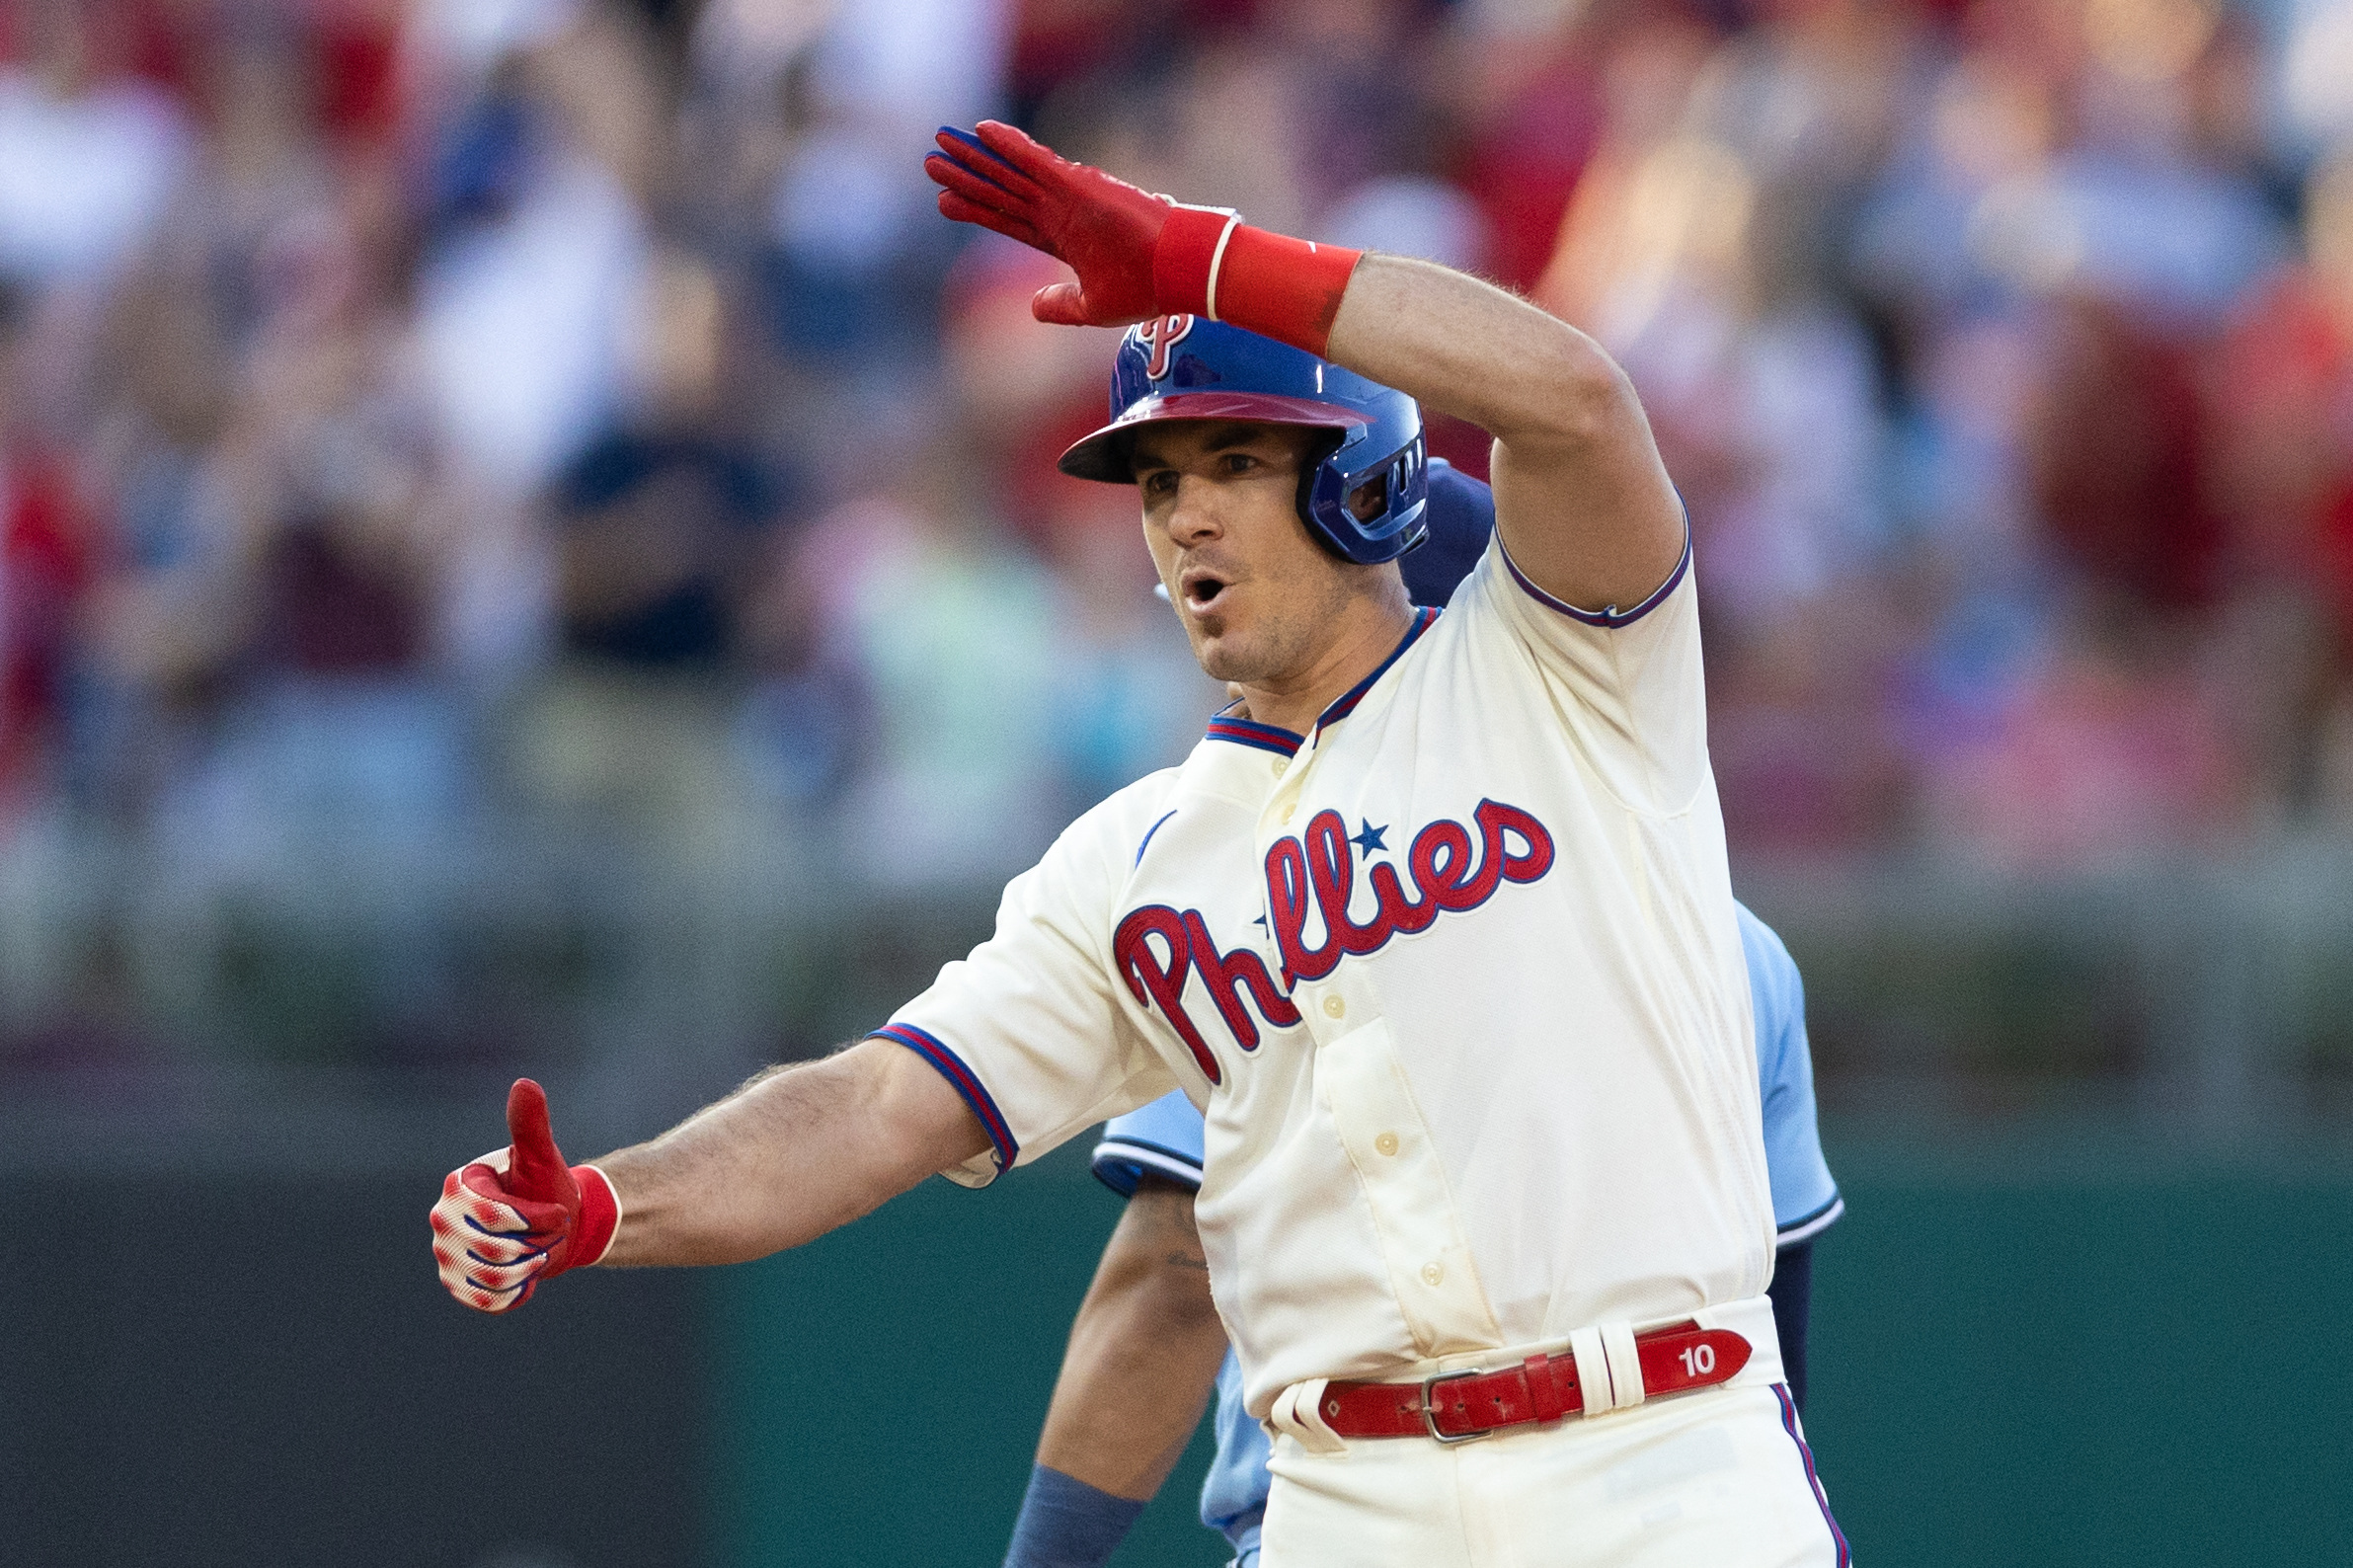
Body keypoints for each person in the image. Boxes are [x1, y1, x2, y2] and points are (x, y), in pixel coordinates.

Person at [431, 119, 1849, 1565]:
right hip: (1349, 1504)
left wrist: (1198, 258)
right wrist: (612, 1202)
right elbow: (872, 1109)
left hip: (1658, 1463)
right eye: (1159, 481)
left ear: (1361, 472)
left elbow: (1576, 399)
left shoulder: (1556, 671)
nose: (1184, 515)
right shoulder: (1131, 862)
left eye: (1234, 458)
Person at [1004, 897, 1843, 1568]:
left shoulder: (1280, 918)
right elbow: (1766, 1337)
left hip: (1360, 1512)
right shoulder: (1726, 938)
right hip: (1681, 1508)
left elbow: (1171, 1285)